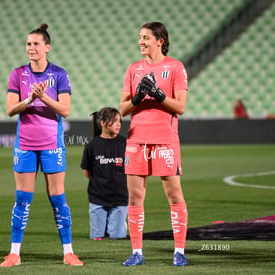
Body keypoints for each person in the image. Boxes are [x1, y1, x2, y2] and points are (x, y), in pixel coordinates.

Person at [0, 23, 83, 267]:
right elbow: (10, 109)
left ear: (47, 47)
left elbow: (65, 110)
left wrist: (44, 97)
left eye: (36, 44)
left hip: (52, 144)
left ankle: (68, 252)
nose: (31, 48)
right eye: (28, 43)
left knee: (58, 198)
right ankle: (14, 254)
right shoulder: (17, 74)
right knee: (22, 199)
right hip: (25, 144)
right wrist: (30, 98)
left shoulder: (59, 74)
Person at [119, 22, 188, 267]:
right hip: (136, 139)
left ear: (160, 40)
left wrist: (158, 95)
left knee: (174, 194)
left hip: (165, 140)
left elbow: (180, 106)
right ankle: (137, 252)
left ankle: (179, 251)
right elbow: (123, 108)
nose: (141, 42)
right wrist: (137, 97)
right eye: (140, 37)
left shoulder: (176, 67)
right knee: (135, 196)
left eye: (146, 37)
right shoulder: (133, 69)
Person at [81, 107, 128, 240]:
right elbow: (87, 172)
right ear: (103, 123)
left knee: (116, 237)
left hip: (120, 198)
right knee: (97, 237)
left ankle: (118, 225)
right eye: (115, 121)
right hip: (98, 198)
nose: (119, 124)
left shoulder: (125, 143)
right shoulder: (91, 146)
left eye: (120, 121)